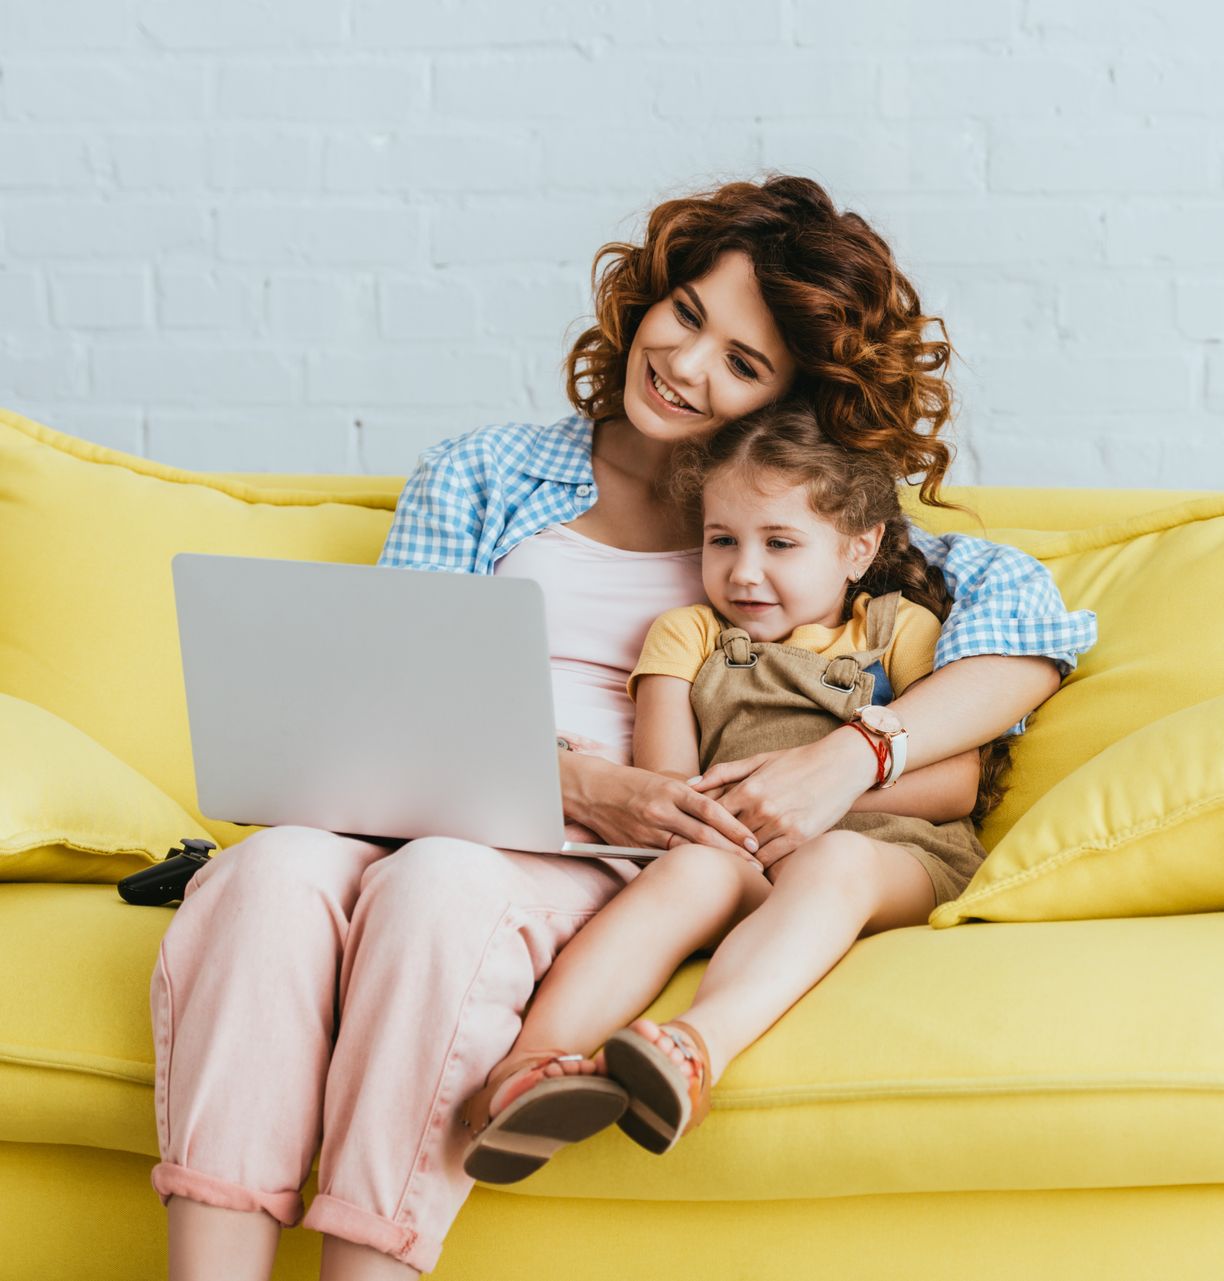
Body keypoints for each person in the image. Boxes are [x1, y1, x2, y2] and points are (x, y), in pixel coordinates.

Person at [149, 174, 1096, 1280]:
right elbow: (390, 700)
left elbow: (1028, 629)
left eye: (743, 362)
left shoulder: (796, 530)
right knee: (267, 876)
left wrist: (853, 755)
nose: (688, 365)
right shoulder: (486, 475)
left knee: (441, 884)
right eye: (686, 315)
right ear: (648, 298)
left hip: (586, 860)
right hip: (431, 804)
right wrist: (582, 779)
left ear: (795, 398)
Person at [459, 401, 1004, 1180]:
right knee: (686, 868)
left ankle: (693, 1048)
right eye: (722, 540)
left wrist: (815, 797)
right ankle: (528, 1068)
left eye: (780, 542)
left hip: (890, 853)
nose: (744, 570)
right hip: (740, 852)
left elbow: (955, 785)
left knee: (833, 861)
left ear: (859, 546)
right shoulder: (688, 635)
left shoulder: (897, 629)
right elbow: (668, 791)